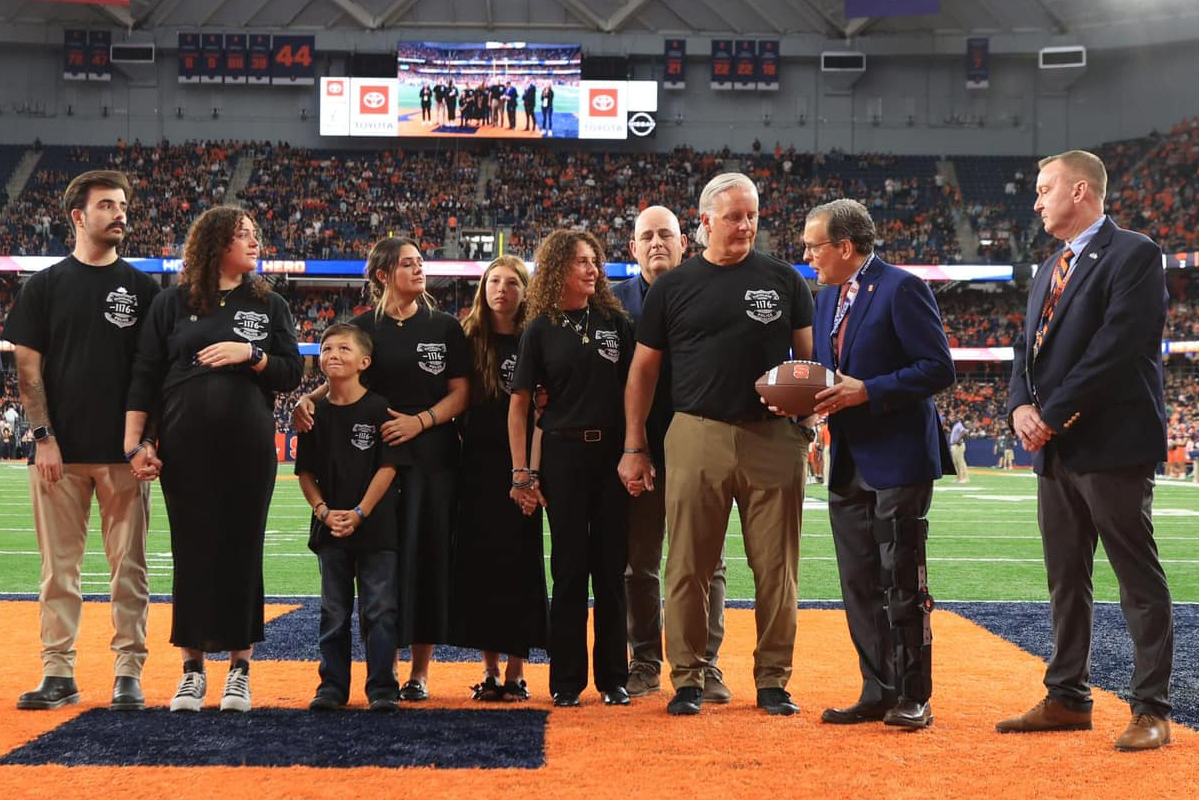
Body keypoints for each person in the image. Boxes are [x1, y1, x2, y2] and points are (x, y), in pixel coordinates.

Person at [996, 150, 1174, 751]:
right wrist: (1021, 405)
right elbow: (1026, 350)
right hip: (1057, 450)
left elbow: (1118, 348)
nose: (1037, 201)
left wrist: (1049, 413)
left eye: (1044, 190)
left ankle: (1151, 709)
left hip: (1111, 443)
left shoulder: (1136, 253)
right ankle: (1067, 697)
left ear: (1079, 191)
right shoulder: (1048, 268)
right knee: (1065, 579)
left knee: (1135, 577)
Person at [619, 173, 813, 717]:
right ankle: (687, 678)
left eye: (752, 214)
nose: (746, 225)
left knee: (778, 568)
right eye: (734, 216)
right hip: (695, 431)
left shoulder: (784, 280)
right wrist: (636, 445)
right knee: (687, 565)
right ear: (704, 222)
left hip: (774, 438)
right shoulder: (673, 289)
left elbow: (806, 361)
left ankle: (774, 679)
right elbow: (642, 373)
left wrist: (805, 419)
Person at [125, 206, 302, 713]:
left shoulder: (270, 304)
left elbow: (291, 372)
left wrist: (249, 354)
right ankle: (192, 670)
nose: (254, 242)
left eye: (254, 234)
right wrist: (139, 442)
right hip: (184, 448)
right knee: (193, 552)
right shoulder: (171, 303)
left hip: (248, 448)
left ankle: (240, 670)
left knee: (242, 551)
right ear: (215, 243)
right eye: (242, 235)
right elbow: (146, 374)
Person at [3, 169, 159, 712]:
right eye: (108, 206)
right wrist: (42, 437)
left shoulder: (143, 288)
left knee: (130, 571)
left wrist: (142, 441)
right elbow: (28, 370)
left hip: (122, 454)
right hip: (59, 455)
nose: (120, 214)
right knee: (58, 573)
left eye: (123, 206)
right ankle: (58, 673)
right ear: (78, 216)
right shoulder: (44, 286)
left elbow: (151, 372)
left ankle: (127, 674)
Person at [800, 198, 954, 730]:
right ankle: (877, 690)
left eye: (813, 245)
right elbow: (830, 372)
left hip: (898, 458)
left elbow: (938, 368)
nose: (807, 254)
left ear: (845, 246)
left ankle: (914, 695)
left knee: (901, 580)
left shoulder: (902, 287)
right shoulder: (825, 299)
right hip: (846, 459)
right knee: (859, 583)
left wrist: (868, 392)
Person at [294, 237, 469, 702]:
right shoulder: (361, 328)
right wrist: (304, 402)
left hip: (432, 456)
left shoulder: (445, 326)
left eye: (420, 262)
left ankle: (421, 671)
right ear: (382, 275)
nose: (419, 269)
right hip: (372, 460)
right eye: (408, 263)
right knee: (383, 565)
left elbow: (460, 393)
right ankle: (384, 671)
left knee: (425, 558)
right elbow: (338, 377)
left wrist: (421, 421)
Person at [509, 230, 634, 708]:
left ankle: (613, 679)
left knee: (610, 569)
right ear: (559, 267)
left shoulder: (615, 322)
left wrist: (636, 448)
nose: (592, 269)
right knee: (568, 568)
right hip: (562, 455)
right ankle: (565, 681)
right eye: (581, 261)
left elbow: (633, 391)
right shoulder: (539, 328)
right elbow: (520, 404)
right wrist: (523, 472)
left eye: (594, 261)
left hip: (612, 457)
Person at [611, 206, 730, 702]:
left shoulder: (711, 291)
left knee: (708, 564)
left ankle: (706, 664)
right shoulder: (612, 305)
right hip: (639, 450)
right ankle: (644, 660)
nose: (657, 243)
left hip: (700, 451)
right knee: (639, 564)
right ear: (632, 248)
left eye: (666, 234)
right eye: (647, 236)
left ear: (686, 241)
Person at [296, 323, 408, 712]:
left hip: (375, 527)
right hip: (330, 529)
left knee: (380, 609)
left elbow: (388, 468)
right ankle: (332, 687)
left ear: (364, 361)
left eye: (344, 349)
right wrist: (324, 511)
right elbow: (305, 473)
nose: (333, 355)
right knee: (334, 611)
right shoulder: (312, 414)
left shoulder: (381, 408)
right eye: (326, 349)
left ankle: (382, 686)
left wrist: (360, 512)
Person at [451, 255, 548, 702]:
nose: (502, 289)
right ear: (483, 287)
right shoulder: (468, 339)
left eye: (512, 282)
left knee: (520, 565)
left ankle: (517, 671)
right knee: (482, 566)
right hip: (476, 467)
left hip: (525, 466)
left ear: (526, 291)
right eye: (494, 281)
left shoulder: (537, 338)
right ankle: (489, 670)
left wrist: (529, 473)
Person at [948, 418, 969, 483]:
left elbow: (964, 432)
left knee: (960, 462)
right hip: (954, 445)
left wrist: (958, 440)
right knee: (956, 463)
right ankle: (958, 478)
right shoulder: (957, 425)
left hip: (958, 446)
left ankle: (964, 478)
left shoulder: (959, 425)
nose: (951, 419)